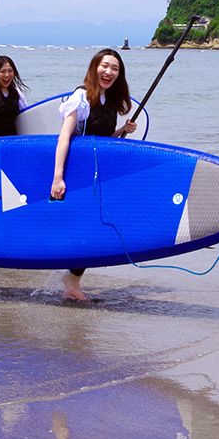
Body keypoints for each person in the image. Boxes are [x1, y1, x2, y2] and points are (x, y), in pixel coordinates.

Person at [50, 48, 137, 301]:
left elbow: (100, 140)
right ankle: (70, 279)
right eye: (105, 65)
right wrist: (58, 177)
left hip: (97, 174)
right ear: (94, 67)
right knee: (86, 226)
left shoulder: (108, 101)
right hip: (78, 174)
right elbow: (65, 136)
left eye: (115, 68)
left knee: (96, 226)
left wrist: (122, 130)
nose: (109, 72)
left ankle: (72, 280)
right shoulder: (81, 97)